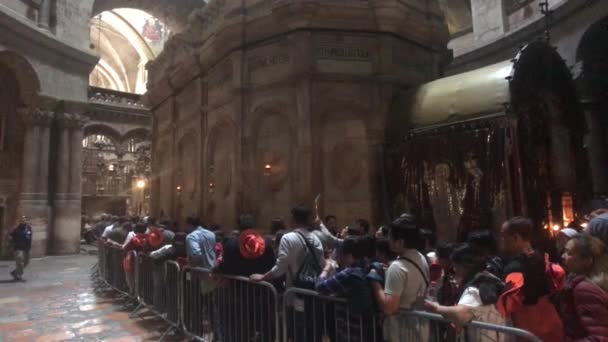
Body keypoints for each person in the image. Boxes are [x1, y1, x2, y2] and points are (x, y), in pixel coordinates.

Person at [496, 217, 564, 341]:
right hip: (551, 318)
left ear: (516, 237)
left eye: (504, 236)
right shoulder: (543, 257)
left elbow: (508, 305)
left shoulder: (514, 268)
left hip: (529, 325)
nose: (502, 240)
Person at [426, 244, 508, 342]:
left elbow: (460, 314)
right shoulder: (492, 280)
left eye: (457, 266)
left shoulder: (475, 290)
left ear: (467, 266)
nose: (455, 270)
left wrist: (437, 308)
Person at [370, 214, 429, 342]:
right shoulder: (421, 257)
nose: (388, 240)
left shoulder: (397, 268)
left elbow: (389, 308)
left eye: (390, 237)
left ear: (400, 242)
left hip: (400, 332)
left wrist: (375, 282)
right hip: (419, 329)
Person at [316, 237, 378, 342]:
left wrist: (326, 269)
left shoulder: (350, 274)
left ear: (348, 255)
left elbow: (320, 286)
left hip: (352, 329)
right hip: (370, 329)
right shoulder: (368, 267)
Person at [250, 205, 325, 287]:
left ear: (293, 219)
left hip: (295, 291)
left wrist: (263, 277)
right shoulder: (316, 239)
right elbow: (321, 264)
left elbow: (281, 267)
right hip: (313, 290)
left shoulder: (287, 238)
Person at [558, 233, 608, 341]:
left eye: (569, 253)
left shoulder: (584, 289)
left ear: (587, 260)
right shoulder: (599, 281)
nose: (563, 256)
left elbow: (599, 337)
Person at [9, 216, 32, 281]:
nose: (23, 220)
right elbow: (10, 236)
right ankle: (19, 276)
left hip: (26, 248)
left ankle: (15, 272)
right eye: (22, 219)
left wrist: (29, 247)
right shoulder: (16, 229)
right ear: (20, 221)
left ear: (26, 220)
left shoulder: (29, 228)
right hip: (18, 248)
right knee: (20, 262)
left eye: (24, 219)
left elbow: (30, 238)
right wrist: (12, 244)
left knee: (27, 262)